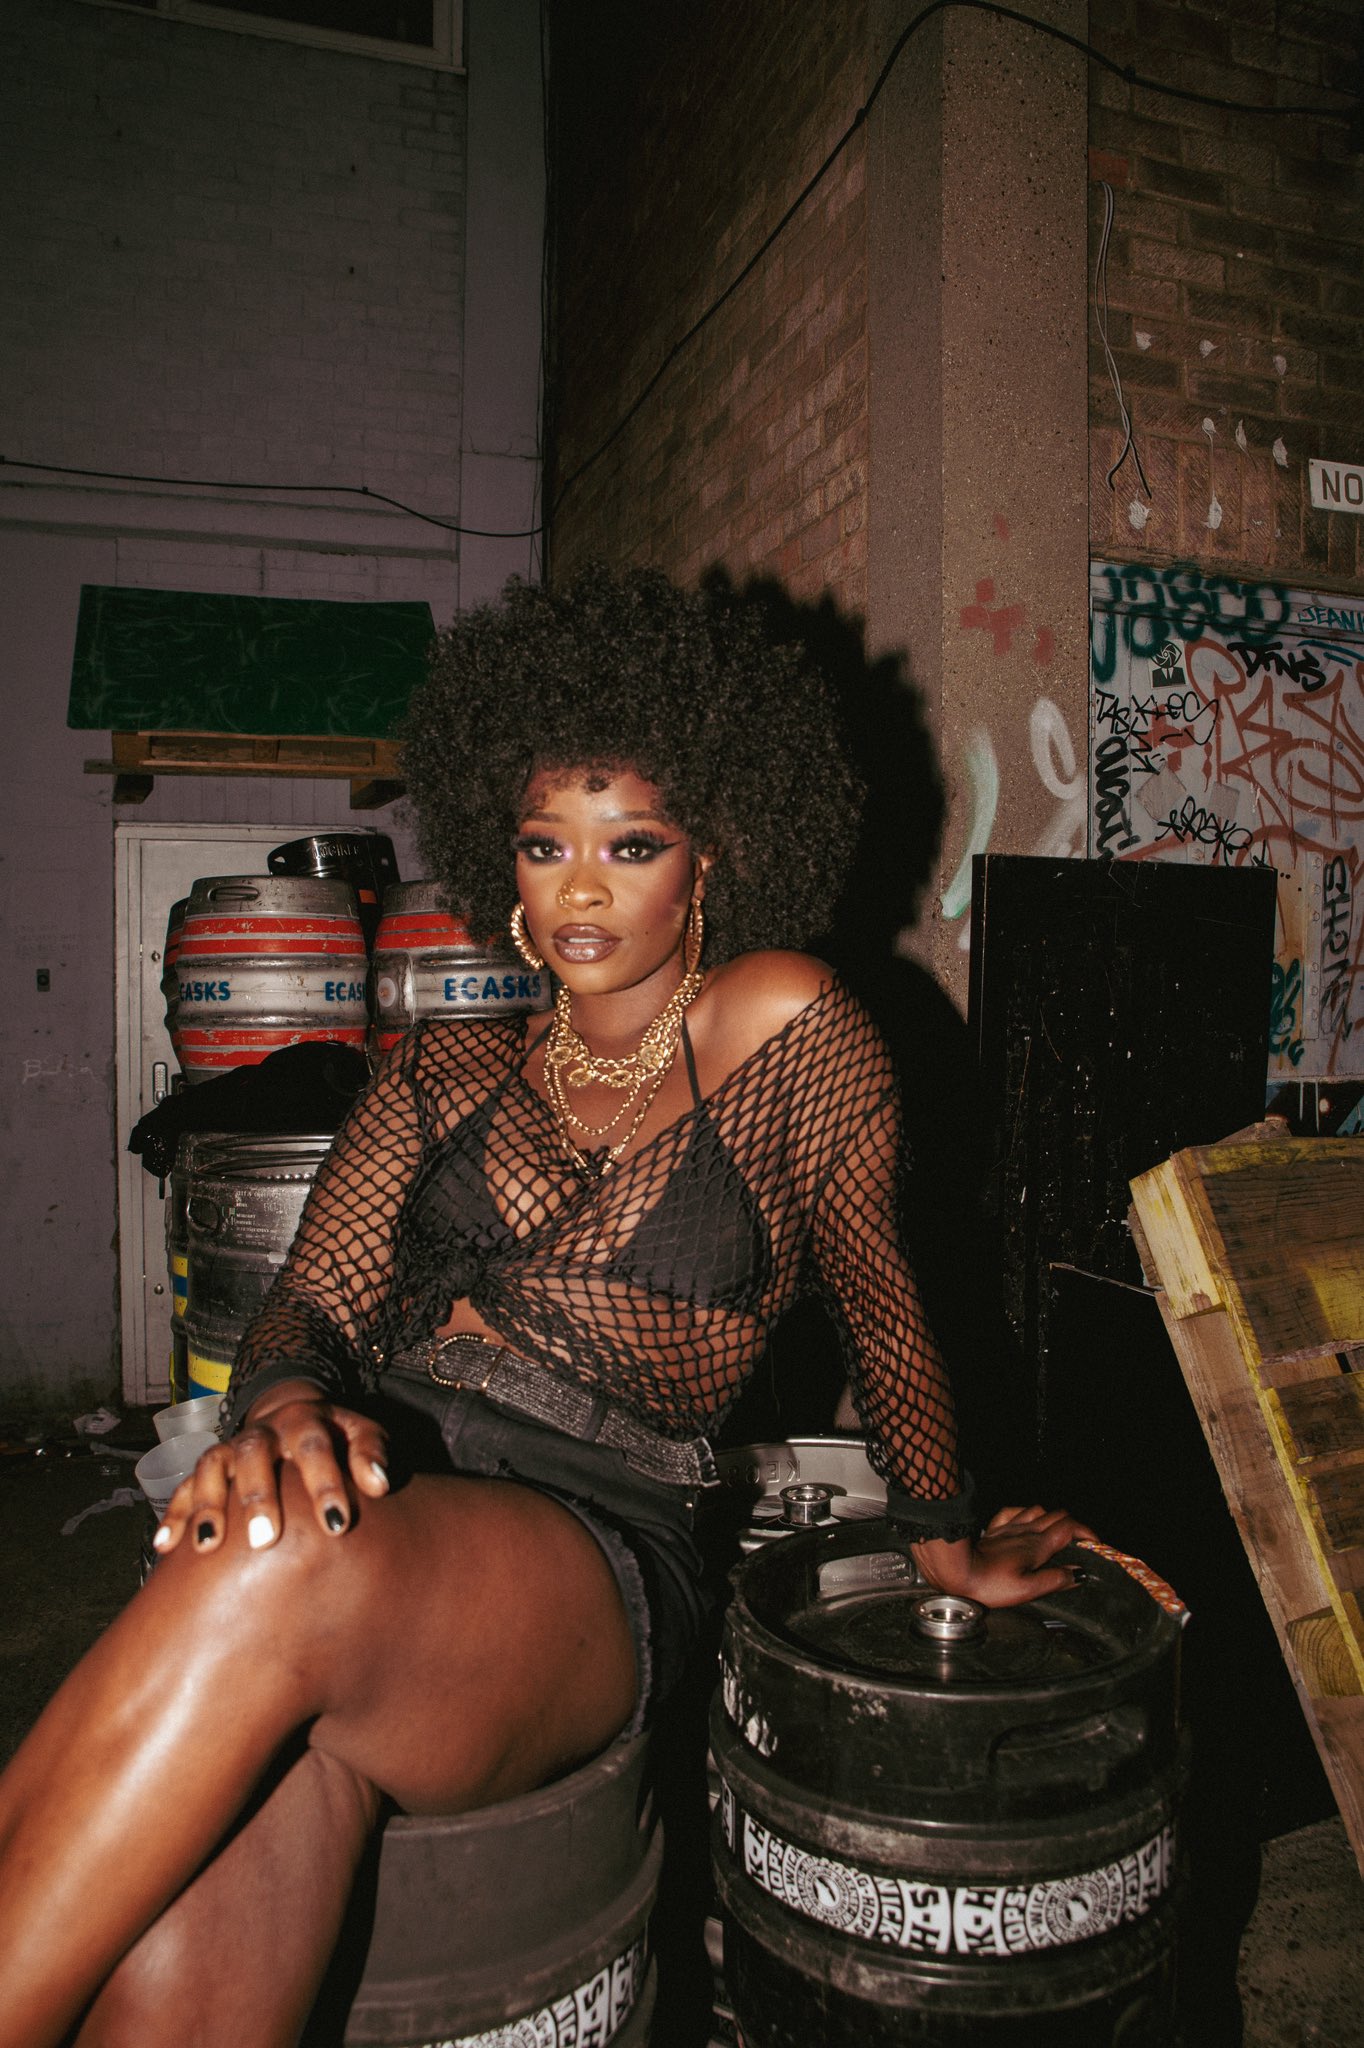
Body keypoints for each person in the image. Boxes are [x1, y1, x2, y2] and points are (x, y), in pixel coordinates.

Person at [0, 565, 1087, 2048]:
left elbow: (885, 1311)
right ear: (501, 861)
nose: (580, 888)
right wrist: (292, 1407)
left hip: (596, 1533)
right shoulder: (441, 1074)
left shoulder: (781, 1025)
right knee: (191, 1923)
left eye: (631, 844)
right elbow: (308, 1305)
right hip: (374, 1493)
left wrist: (943, 1538)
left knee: (272, 1556)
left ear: (711, 856)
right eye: (543, 844)